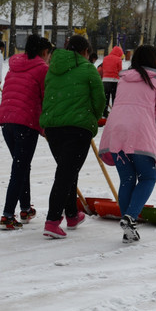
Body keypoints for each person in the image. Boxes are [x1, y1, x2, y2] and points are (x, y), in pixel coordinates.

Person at [98, 45, 156, 243]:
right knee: (147, 177)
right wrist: (155, 130)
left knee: (127, 178)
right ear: (154, 59)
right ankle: (130, 216)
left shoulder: (124, 77)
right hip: (140, 130)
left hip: (117, 130)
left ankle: (127, 225)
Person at [40, 35, 106, 239]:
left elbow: (48, 94)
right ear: (86, 51)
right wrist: (91, 118)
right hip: (77, 128)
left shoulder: (52, 68)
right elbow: (99, 100)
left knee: (68, 169)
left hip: (53, 127)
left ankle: (71, 215)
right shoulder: (88, 69)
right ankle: (52, 221)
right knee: (66, 173)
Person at [0, 35, 53, 230]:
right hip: (25, 122)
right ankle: (7, 215)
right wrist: (46, 126)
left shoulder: (14, 66)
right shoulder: (42, 69)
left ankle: (25, 208)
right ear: (44, 53)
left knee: (21, 164)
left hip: (7, 120)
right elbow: (46, 99)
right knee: (19, 168)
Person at [101, 46, 124, 117]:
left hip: (105, 80)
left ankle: (104, 113)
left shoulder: (105, 58)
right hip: (114, 80)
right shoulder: (118, 59)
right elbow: (120, 71)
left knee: (106, 98)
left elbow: (103, 68)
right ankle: (114, 114)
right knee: (114, 98)